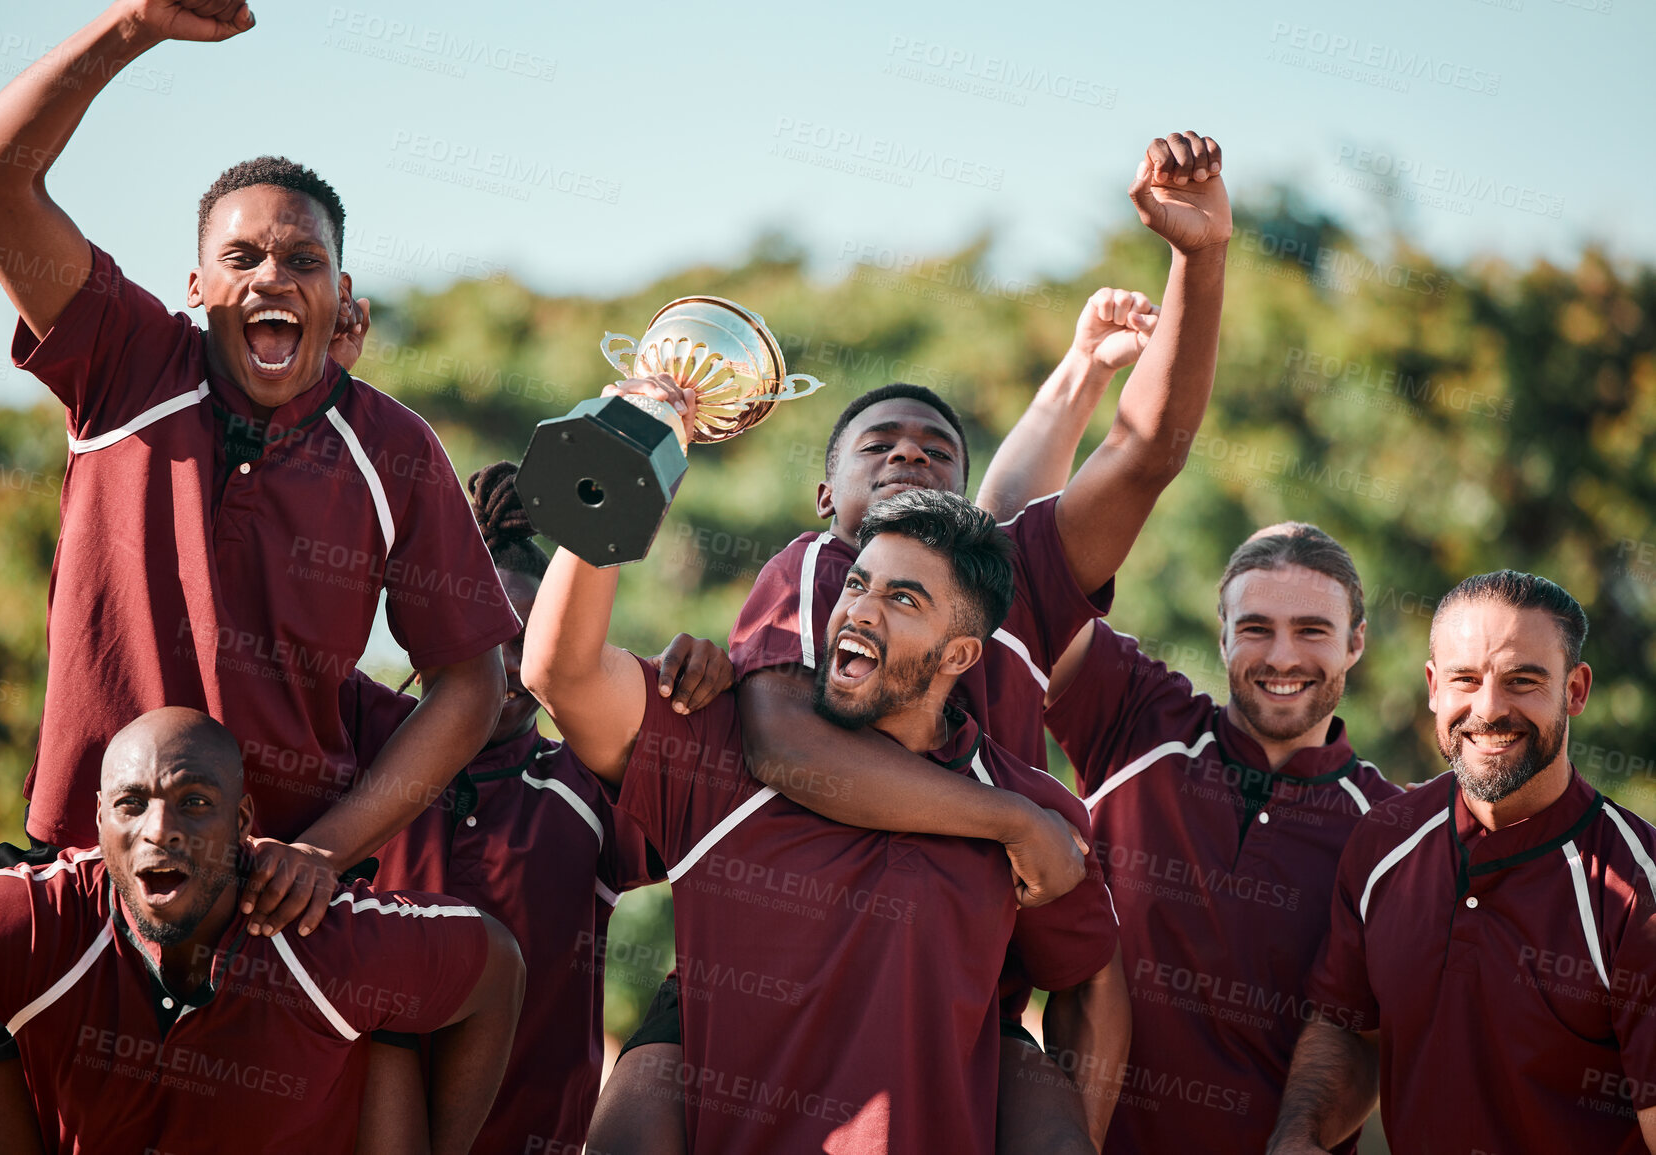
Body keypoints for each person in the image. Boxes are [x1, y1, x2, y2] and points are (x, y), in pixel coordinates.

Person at [0, 0, 518, 1135]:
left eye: (304, 259)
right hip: (81, 873)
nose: (272, 276)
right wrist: (135, 26)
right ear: (197, 286)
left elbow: (471, 684)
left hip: (278, 900)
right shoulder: (123, 361)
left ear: (341, 298)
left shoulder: (393, 449)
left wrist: (325, 850)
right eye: (241, 255)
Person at [595, 129, 1229, 1153]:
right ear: (825, 496)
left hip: (959, 974)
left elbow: (1145, 449)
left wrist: (1197, 260)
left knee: (1059, 1075)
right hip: (775, 976)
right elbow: (791, 752)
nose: (906, 452)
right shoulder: (816, 571)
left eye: (935, 450)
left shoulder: (1007, 578)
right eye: (876, 443)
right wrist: (1010, 822)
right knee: (640, 1104)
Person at [524, 485, 1125, 1154]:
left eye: (902, 599)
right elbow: (559, 671)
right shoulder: (716, 747)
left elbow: (1088, 977)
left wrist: (1071, 1128)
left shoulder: (1033, 807)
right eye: (857, 584)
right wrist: (620, 466)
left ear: (957, 655)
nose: (859, 611)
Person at [344, 460, 732, 1154]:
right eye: (482, 634)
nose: (504, 664)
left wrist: (706, 679)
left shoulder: (585, 788)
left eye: (526, 642)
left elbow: (714, 797)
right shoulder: (356, 739)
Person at [0, 707, 525, 1153]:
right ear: (100, 817)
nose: (161, 830)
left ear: (242, 820)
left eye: (194, 802)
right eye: (133, 804)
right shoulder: (36, 919)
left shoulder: (327, 938)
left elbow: (499, 968)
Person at [1030, 523, 1399, 1153]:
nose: (1282, 657)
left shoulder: (1393, 833)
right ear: (1222, 633)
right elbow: (1024, 579)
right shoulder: (1137, 719)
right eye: (1256, 628)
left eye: (1312, 630)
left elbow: (1367, 1039)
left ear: (1356, 642)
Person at [1270, 571, 1656, 1154]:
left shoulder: (1638, 892)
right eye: (1465, 680)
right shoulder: (1383, 842)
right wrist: (1297, 1138)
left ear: (1575, 690)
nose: (1489, 708)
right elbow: (1350, 1027)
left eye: (1522, 681)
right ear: (1432, 687)